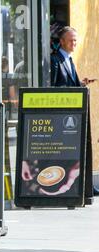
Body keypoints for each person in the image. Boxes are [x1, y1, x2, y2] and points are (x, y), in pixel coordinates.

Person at [51, 26, 99, 196]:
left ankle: (84, 188)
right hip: (62, 117)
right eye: (71, 40)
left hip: (74, 115)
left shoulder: (69, 59)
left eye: (76, 40)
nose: (74, 43)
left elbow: (70, 85)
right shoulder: (55, 60)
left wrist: (80, 84)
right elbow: (54, 87)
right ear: (62, 41)